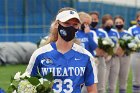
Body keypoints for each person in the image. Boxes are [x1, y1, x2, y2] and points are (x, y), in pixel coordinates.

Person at [25, 7, 97, 93]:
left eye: (75, 24)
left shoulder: (86, 56)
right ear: (56, 24)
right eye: (66, 23)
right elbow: (28, 84)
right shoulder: (40, 54)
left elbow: (92, 89)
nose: (71, 27)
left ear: (78, 27)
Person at [101, 14, 122, 93]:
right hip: (104, 59)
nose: (109, 25)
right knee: (103, 83)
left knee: (113, 85)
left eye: (111, 24)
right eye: (108, 24)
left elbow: (118, 45)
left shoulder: (115, 32)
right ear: (103, 23)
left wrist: (113, 52)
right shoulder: (101, 32)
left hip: (115, 59)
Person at [114, 16, 131, 93]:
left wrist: (124, 51)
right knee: (112, 79)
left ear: (123, 23)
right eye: (116, 23)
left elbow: (131, 46)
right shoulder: (113, 33)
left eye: (120, 22)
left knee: (123, 78)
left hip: (125, 58)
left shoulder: (127, 33)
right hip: (114, 58)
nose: (118, 24)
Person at [128, 11, 140, 93]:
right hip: (135, 54)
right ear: (137, 18)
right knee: (136, 78)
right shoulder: (132, 29)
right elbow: (128, 41)